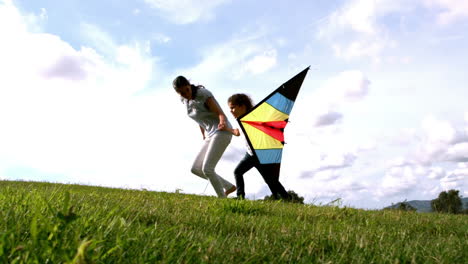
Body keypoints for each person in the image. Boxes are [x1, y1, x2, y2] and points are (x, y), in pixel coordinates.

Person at [173, 76, 236, 198]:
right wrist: (203, 134)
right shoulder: (185, 100)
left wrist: (222, 122)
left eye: (187, 90)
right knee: (196, 169)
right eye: (182, 92)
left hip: (221, 131)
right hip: (210, 134)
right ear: (177, 93)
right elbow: (199, 118)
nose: (186, 94)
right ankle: (228, 186)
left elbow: (220, 113)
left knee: (207, 168)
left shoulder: (203, 94)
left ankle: (222, 200)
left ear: (189, 85)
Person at [226, 93, 291, 200]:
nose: (231, 111)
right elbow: (238, 132)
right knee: (239, 172)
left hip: (259, 154)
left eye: (232, 108)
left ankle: (285, 198)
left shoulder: (254, 117)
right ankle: (240, 197)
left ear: (242, 106)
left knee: (270, 180)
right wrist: (226, 129)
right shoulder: (239, 120)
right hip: (250, 153)